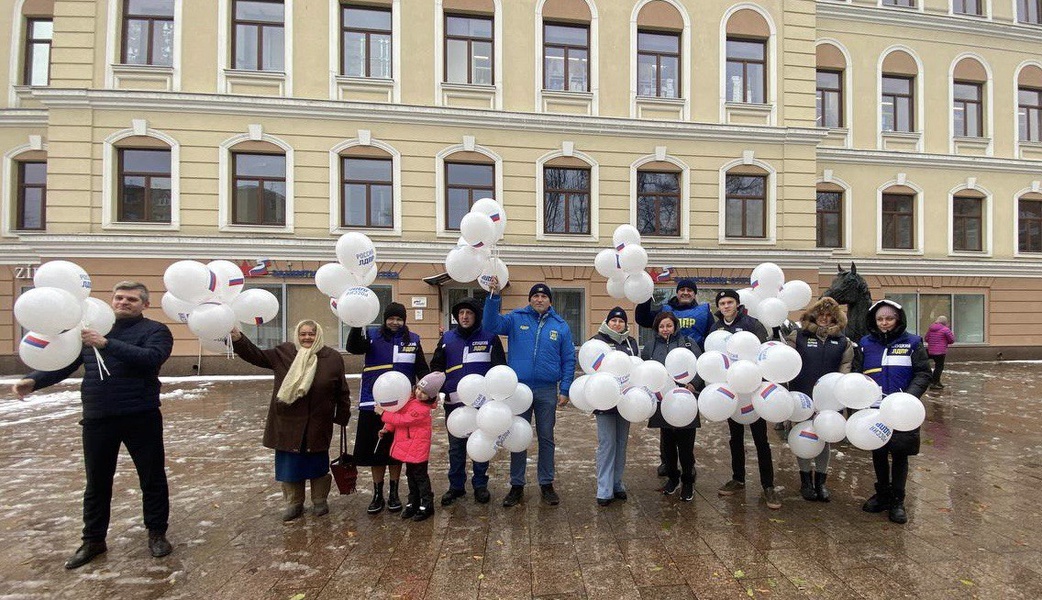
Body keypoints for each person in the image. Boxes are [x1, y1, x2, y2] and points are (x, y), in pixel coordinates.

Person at [11, 281, 174, 569]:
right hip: (99, 416)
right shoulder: (89, 329)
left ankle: (157, 534)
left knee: (152, 478)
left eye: (132, 300)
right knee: (97, 482)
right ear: (112, 300)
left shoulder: (155, 331)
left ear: (144, 305)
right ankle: (93, 540)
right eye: (119, 297)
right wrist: (34, 380)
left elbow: (152, 359)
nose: (124, 302)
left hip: (141, 414)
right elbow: (65, 362)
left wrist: (107, 344)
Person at [230, 320, 351, 521]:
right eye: (303, 334)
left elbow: (342, 390)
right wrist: (238, 339)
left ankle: (320, 501)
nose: (307, 338)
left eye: (311, 334)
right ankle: (294, 503)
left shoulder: (332, 357)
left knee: (317, 464)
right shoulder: (283, 353)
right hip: (288, 422)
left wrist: (342, 415)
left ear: (318, 335)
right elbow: (256, 356)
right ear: (297, 335)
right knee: (290, 465)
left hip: (318, 422)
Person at [483, 278, 575, 507]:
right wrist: (494, 295)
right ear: (530, 299)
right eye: (535, 295)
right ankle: (516, 485)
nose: (539, 299)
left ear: (550, 301)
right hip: (518, 390)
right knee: (517, 436)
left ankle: (546, 483)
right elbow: (490, 325)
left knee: (546, 438)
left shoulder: (560, 325)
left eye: (544, 296)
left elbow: (568, 358)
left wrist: (565, 388)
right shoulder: (516, 318)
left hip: (546, 390)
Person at [346, 302, 429, 515]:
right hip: (373, 405)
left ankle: (394, 492)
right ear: (385, 319)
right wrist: (356, 325)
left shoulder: (413, 340)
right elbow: (353, 348)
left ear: (404, 320)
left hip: (402, 406)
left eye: (399, 319)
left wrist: (429, 393)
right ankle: (377, 493)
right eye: (391, 318)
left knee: (396, 452)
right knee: (376, 452)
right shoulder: (372, 336)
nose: (395, 322)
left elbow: (421, 369)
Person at [853, 299, 931, 524]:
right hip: (874, 409)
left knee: (899, 454)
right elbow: (858, 374)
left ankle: (897, 500)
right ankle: (883, 494)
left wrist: (908, 398)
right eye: (880, 319)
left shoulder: (913, 342)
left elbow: (923, 373)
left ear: (898, 319)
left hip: (903, 410)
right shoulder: (865, 343)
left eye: (889, 318)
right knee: (877, 453)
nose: (884, 323)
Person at [429, 297, 505, 506]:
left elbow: (500, 370)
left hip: (483, 406)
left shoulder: (490, 338)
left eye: (469, 313)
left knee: (481, 444)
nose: (464, 316)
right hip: (455, 406)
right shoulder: (447, 339)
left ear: (476, 316)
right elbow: (436, 368)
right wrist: (442, 389)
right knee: (456, 447)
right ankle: (456, 486)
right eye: (461, 313)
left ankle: (480, 485)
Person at [635, 279, 714, 477]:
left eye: (689, 290)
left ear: (694, 294)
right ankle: (667, 463)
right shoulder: (664, 312)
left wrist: (698, 381)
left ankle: (689, 464)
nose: (686, 293)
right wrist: (643, 294)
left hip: (690, 377)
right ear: (677, 293)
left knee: (686, 425)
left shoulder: (704, 313)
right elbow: (643, 318)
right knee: (666, 426)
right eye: (682, 290)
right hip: (664, 380)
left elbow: (713, 338)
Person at [710, 289, 781, 510]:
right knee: (735, 437)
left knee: (761, 439)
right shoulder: (716, 329)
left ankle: (768, 485)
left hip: (753, 389)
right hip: (731, 392)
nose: (726, 306)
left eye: (729, 302)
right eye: (722, 303)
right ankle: (738, 478)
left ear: (737, 304)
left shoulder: (752, 325)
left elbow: (764, 355)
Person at [784, 297, 853, 502]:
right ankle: (805, 481)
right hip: (802, 395)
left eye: (829, 316)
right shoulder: (798, 336)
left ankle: (820, 482)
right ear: (813, 315)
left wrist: (841, 393)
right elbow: (787, 362)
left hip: (829, 399)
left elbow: (846, 367)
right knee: (803, 436)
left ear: (835, 318)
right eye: (820, 315)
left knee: (824, 438)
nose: (824, 319)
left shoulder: (843, 341)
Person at [641, 312, 703, 502]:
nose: (665, 329)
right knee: (667, 444)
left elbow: (701, 366)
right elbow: (644, 370)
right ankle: (673, 479)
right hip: (662, 402)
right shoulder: (650, 346)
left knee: (685, 446)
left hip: (685, 401)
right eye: (661, 326)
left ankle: (688, 482)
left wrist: (693, 384)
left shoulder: (687, 343)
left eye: (668, 325)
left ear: (675, 326)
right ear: (656, 329)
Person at [377, 372, 445, 522]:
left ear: (432, 396)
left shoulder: (422, 409)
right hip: (407, 446)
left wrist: (384, 414)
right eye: (419, 389)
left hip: (417, 448)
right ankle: (413, 501)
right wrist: (387, 428)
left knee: (420, 477)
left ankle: (427, 504)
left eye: (425, 393)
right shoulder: (409, 400)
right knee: (410, 476)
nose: (420, 394)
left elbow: (404, 420)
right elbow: (398, 412)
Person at [589, 307, 639, 506]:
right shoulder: (597, 342)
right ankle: (604, 488)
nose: (617, 324)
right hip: (604, 400)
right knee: (607, 443)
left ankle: (617, 483)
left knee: (621, 443)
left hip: (625, 401)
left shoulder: (631, 342)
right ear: (607, 322)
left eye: (621, 321)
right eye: (614, 321)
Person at [924, 316, 955, 390]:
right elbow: (951, 340)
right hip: (940, 352)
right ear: (945, 322)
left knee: (926, 364)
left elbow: (926, 338)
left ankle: (934, 381)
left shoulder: (931, 328)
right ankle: (935, 382)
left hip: (930, 350)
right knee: (939, 367)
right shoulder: (946, 330)